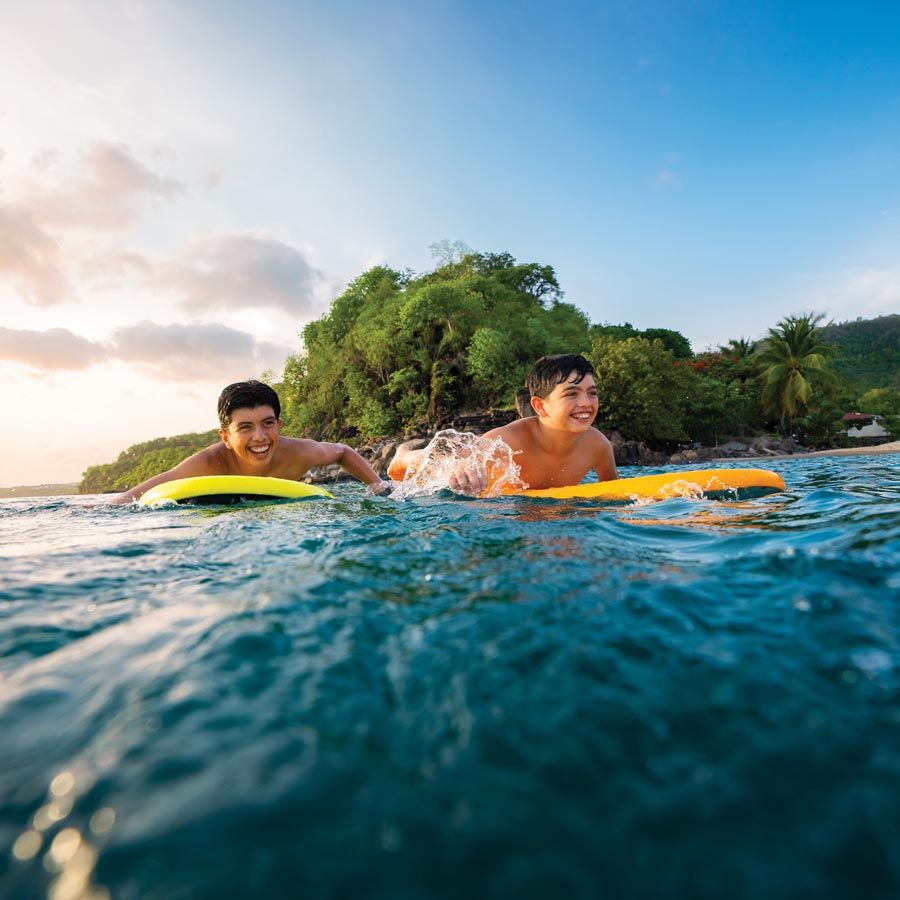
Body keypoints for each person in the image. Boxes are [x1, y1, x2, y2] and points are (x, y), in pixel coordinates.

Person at [110, 380, 385, 504]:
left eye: (268, 423)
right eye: (245, 427)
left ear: (279, 425)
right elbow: (143, 491)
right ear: (225, 437)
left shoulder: (298, 453)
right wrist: (106, 506)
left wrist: (378, 487)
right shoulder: (208, 463)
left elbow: (343, 452)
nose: (260, 437)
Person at [387, 354, 618, 494]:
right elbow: (459, 465)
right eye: (571, 394)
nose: (586, 403)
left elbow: (612, 492)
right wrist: (462, 470)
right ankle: (403, 454)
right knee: (442, 459)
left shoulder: (598, 446)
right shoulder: (505, 443)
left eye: (592, 393)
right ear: (540, 406)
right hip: (473, 465)